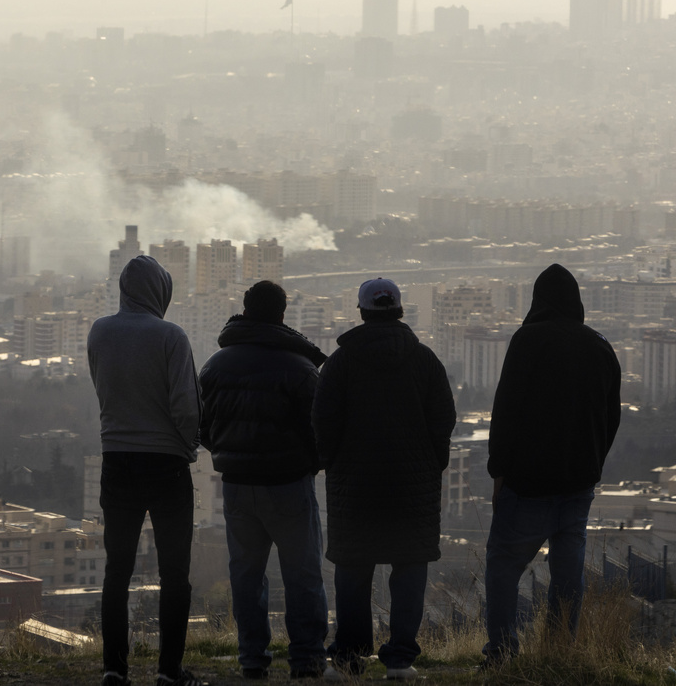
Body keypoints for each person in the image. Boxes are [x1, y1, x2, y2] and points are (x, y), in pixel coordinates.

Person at [312, 278, 456, 681]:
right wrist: (431, 465)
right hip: (413, 490)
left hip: (355, 488)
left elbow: (322, 420)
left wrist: (333, 462)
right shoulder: (426, 360)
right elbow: (444, 419)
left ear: (361, 312)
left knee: (353, 569)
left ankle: (348, 657)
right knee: (409, 568)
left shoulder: (340, 363)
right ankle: (400, 660)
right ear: (399, 310)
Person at [483, 263, 621, 665]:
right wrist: (592, 464)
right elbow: (610, 418)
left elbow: (506, 410)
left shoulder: (528, 341)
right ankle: (561, 651)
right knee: (568, 575)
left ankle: (503, 652)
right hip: (578, 486)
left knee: (504, 567)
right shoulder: (599, 346)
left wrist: (499, 471)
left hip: (526, 484)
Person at [199, 280, 330, 680]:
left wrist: (228, 455)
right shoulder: (301, 368)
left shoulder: (216, 365)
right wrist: (311, 463)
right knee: (303, 575)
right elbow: (320, 431)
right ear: (282, 314)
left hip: (237, 486)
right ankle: (306, 660)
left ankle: (252, 658)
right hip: (289, 484)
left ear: (245, 309)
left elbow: (202, 426)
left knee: (246, 574)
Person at [87, 255, 208, 686]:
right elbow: (185, 407)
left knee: (116, 571)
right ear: (161, 292)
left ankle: (114, 669)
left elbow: (103, 389)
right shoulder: (170, 336)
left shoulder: (99, 332)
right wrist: (188, 446)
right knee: (174, 572)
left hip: (116, 460)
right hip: (166, 466)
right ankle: (168, 671)